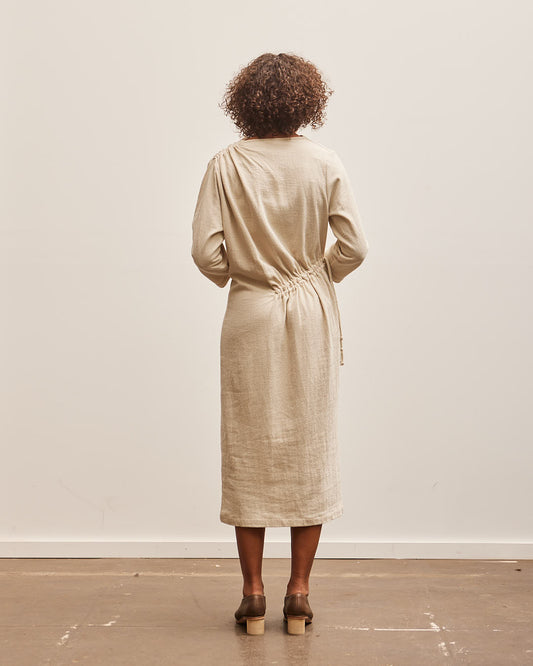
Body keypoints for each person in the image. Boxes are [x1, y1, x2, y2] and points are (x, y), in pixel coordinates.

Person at [191, 52, 369, 635]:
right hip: (309, 308)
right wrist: (316, 275)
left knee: (249, 446)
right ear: (307, 101)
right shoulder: (324, 162)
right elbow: (354, 247)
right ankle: (299, 593)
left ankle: (252, 595)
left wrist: (244, 274)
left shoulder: (225, 164)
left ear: (243, 102)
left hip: (250, 311)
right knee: (309, 445)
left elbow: (206, 253)